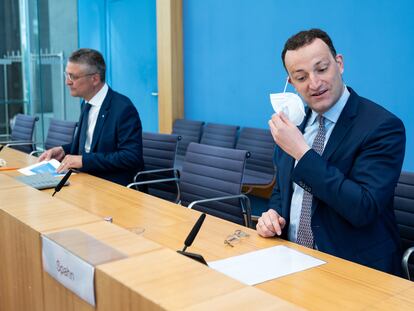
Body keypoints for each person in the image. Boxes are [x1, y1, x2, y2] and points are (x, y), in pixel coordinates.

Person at [256, 29, 405, 275]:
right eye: (301, 77)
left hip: (355, 268)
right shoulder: (294, 125)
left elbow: (363, 208)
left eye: (322, 69)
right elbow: (283, 192)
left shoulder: (382, 126)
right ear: (291, 82)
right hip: (291, 261)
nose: (314, 84)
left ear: (339, 64)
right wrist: (272, 216)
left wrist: (303, 153)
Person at [39, 48, 143, 186]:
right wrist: (63, 150)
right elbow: (89, 147)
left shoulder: (123, 108)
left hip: (112, 185)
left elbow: (130, 157)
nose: (67, 82)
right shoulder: (86, 104)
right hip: (86, 180)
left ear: (94, 79)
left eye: (73, 77)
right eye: (67, 75)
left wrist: (84, 161)